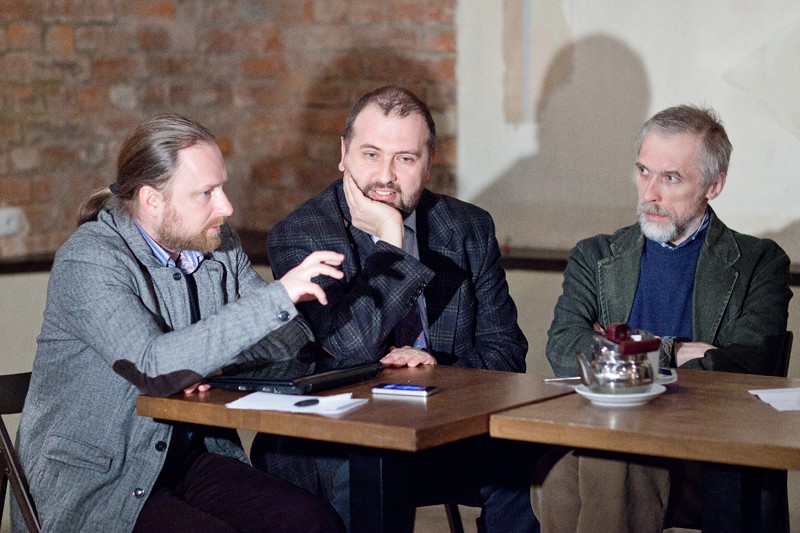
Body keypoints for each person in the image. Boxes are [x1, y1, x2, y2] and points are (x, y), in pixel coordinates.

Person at [12, 114, 346, 533]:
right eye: (206, 193)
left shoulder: (220, 245)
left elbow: (292, 339)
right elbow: (155, 367)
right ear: (152, 200)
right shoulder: (89, 260)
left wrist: (203, 362)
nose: (226, 207)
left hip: (188, 459)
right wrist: (275, 298)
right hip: (99, 480)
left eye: (221, 187)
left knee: (312, 522)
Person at [252, 85, 537, 532]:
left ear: (429, 163)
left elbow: (506, 353)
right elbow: (349, 349)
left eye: (405, 158)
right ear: (343, 154)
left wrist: (434, 367)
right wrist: (392, 240)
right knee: (373, 474)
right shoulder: (302, 234)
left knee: (534, 467)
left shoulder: (467, 227)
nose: (385, 176)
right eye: (371, 154)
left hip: (444, 428)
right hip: (335, 440)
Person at [534, 104, 792, 532]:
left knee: (597, 463)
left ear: (714, 185)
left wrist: (619, 348)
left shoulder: (758, 263)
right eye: (643, 171)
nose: (649, 193)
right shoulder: (595, 256)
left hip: (705, 452)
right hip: (606, 432)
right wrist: (673, 350)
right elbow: (564, 348)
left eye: (671, 178)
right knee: (568, 468)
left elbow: (746, 367)